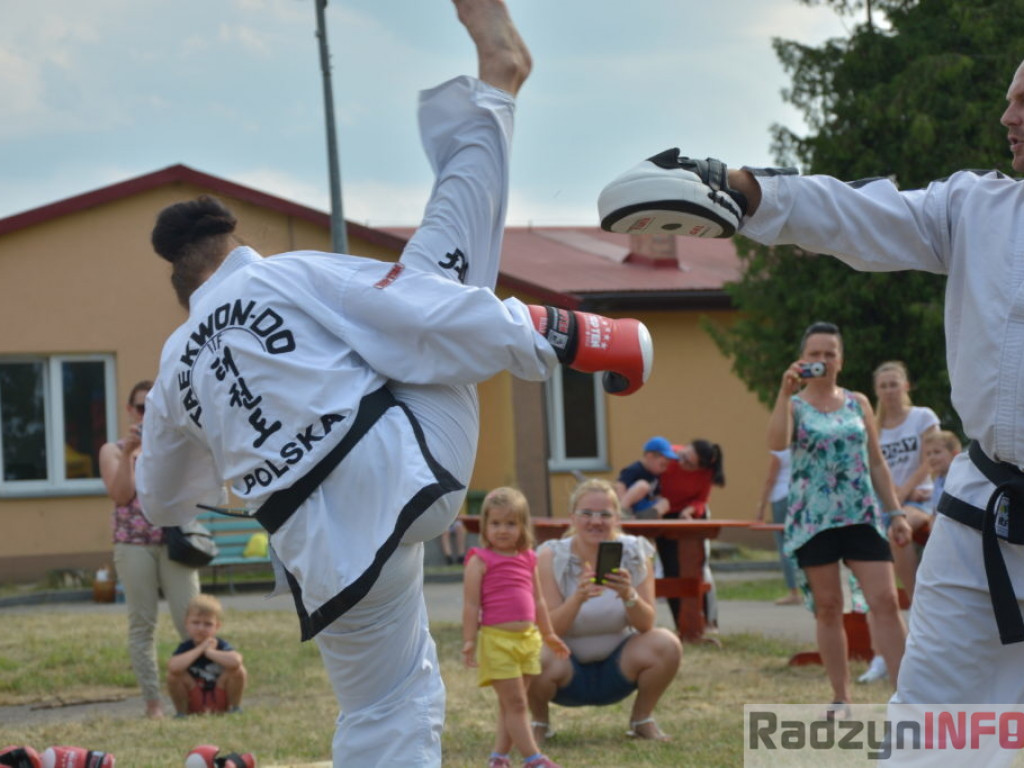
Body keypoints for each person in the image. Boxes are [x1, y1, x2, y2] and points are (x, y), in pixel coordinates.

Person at [133, 3, 651, 765]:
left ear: (181, 284)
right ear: (234, 243)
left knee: (383, 708)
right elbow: (410, 311)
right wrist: (561, 340)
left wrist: (238, 445)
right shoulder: (285, 275)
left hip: (320, 548)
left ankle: (498, 93)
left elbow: (160, 501)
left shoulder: (178, 364)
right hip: (408, 474)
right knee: (427, 285)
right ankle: (501, 107)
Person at [598, 74, 1024, 713]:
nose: (1005, 115)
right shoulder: (976, 210)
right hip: (982, 517)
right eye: (1011, 96)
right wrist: (745, 189)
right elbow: (858, 212)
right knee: (933, 729)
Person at [767, 322, 908, 712]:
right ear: (803, 358)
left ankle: (906, 694)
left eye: (830, 353)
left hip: (861, 513)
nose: (822, 361)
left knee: (885, 600)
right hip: (814, 519)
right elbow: (777, 443)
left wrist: (895, 511)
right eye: (815, 354)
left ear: (841, 360)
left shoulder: (858, 402)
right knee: (828, 607)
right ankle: (841, 696)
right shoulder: (794, 405)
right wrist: (784, 392)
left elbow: (876, 462)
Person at [528, 479, 682, 744]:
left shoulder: (634, 551)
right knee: (529, 650)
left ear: (617, 518)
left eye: (604, 514)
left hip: (619, 668)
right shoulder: (550, 556)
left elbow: (647, 625)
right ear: (573, 517)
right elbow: (549, 629)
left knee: (666, 643)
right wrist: (577, 598)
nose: (595, 522)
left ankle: (642, 719)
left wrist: (628, 595)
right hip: (565, 670)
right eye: (586, 513)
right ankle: (539, 723)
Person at [97, 379, 199, 719]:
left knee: (192, 620)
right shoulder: (113, 450)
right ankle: (153, 703)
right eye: (141, 407)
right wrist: (129, 453)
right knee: (143, 624)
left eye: (152, 407)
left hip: (175, 542)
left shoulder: (172, 444)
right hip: (133, 544)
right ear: (130, 410)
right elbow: (121, 496)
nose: (146, 413)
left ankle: (199, 697)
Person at [461, 487, 569, 768]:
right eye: (495, 523)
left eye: (511, 523)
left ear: (523, 526)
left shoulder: (528, 558)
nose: (503, 530)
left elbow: (539, 600)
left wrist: (549, 634)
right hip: (498, 643)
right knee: (518, 704)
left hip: (527, 641)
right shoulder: (479, 560)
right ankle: (534, 758)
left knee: (510, 705)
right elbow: (471, 605)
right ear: (485, 525)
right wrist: (469, 640)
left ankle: (498, 757)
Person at [857, 361, 940, 684]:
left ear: (906, 386)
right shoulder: (874, 427)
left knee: (900, 530)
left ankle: (917, 598)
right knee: (871, 582)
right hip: (885, 506)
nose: (890, 391)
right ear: (876, 391)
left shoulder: (923, 417)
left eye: (895, 384)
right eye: (884, 386)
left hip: (920, 501)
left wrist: (899, 499)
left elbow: (928, 460)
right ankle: (881, 654)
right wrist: (889, 503)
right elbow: (872, 466)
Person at [656, 440, 725, 629]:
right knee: (671, 570)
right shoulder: (667, 455)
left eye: (689, 464)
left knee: (697, 569)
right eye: (683, 456)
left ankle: (705, 622)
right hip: (665, 513)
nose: (682, 462)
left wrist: (690, 511)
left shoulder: (706, 473)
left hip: (690, 515)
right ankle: (681, 623)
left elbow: (702, 499)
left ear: (700, 468)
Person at [167, 594, 247, 716]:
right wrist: (200, 649)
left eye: (208, 624)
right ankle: (181, 713)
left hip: (219, 696)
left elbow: (236, 661)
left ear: (217, 626)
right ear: (186, 624)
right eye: (195, 623)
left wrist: (210, 652)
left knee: (238, 670)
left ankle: (234, 708)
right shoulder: (186, 647)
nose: (201, 628)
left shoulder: (220, 645)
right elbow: (173, 667)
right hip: (195, 699)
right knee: (174, 676)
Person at [755, 448, 800, 606]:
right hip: (800, 496)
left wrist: (761, 506)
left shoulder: (779, 451)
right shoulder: (803, 445)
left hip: (781, 497)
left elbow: (771, 479)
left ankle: (794, 591)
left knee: (785, 546)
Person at [614, 436, 676, 518]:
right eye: (662, 465)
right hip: (630, 504)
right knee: (643, 485)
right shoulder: (635, 469)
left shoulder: (656, 475)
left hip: (643, 506)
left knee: (665, 502)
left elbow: (656, 494)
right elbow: (620, 485)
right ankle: (622, 512)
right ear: (649, 456)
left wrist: (658, 508)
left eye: (666, 466)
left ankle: (644, 517)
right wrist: (623, 503)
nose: (664, 469)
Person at [922, 430, 961, 515]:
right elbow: (935, 512)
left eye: (937, 452)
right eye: (928, 454)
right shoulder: (938, 481)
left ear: (954, 454)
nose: (931, 458)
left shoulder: (959, 480)